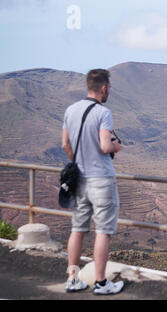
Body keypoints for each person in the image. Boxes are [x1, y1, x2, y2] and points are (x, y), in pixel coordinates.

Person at [61, 69, 124, 295]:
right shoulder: (103, 113)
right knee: (103, 232)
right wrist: (117, 146)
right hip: (101, 180)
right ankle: (100, 283)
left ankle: (72, 279)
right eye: (109, 88)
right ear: (104, 88)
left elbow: (65, 145)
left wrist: (78, 161)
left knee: (77, 230)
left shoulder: (70, 110)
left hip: (80, 179)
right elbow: (106, 146)